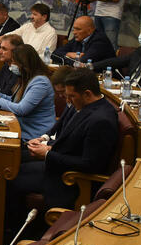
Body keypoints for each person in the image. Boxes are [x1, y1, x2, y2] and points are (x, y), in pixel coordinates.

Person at [9, 68, 119, 220]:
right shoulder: (89, 107)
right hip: (59, 166)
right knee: (12, 165)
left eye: (72, 96)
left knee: (11, 177)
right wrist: (48, 146)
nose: (69, 101)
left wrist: (48, 154)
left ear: (87, 94)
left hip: (68, 180)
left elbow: (90, 165)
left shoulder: (101, 120)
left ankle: (15, 228)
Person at [0, 45, 56, 140]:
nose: (11, 66)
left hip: (35, 136)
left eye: (14, 62)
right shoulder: (26, 78)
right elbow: (15, 100)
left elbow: (22, 109)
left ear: (25, 64)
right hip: (23, 129)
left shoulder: (40, 82)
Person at [91, 19, 141, 90]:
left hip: (140, 93)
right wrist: (92, 66)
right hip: (127, 88)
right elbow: (117, 61)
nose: (140, 36)